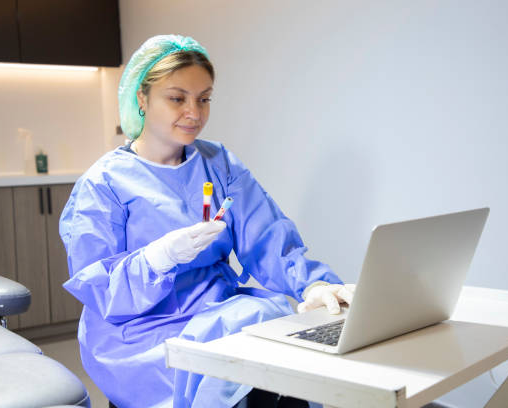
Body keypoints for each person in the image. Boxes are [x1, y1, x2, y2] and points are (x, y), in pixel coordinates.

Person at [60, 34, 353, 408]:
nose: (194, 113)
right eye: (177, 98)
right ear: (142, 98)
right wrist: (158, 258)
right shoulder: (103, 184)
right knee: (251, 355)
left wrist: (312, 286)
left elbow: (267, 237)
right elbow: (99, 289)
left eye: (204, 98)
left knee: (286, 338)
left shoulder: (219, 164)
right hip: (139, 331)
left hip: (216, 310)